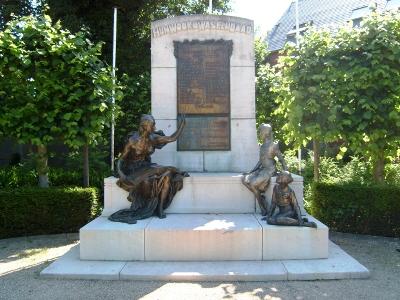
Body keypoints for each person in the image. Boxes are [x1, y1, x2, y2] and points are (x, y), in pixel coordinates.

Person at [109, 114, 188, 224]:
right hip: (133, 168)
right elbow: (121, 160)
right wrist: (121, 174)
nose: (155, 128)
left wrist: (182, 126)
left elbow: (171, 138)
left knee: (167, 175)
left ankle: (160, 208)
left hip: (146, 166)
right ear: (145, 126)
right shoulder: (132, 140)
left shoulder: (153, 138)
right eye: (153, 125)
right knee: (162, 171)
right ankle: (175, 170)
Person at [242, 124, 287, 216]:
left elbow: (281, 159)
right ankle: (260, 197)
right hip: (262, 169)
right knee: (244, 179)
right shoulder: (262, 146)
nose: (259, 134)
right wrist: (251, 172)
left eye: (260, 132)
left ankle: (262, 206)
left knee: (253, 184)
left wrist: (286, 172)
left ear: (265, 133)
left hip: (269, 171)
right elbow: (260, 161)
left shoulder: (273, 145)